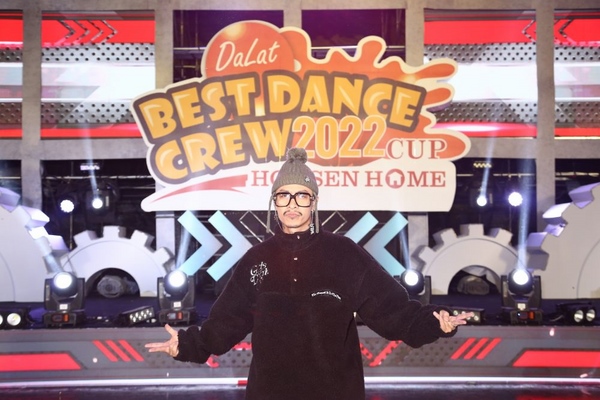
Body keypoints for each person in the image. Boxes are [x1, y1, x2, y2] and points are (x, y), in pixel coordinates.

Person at [146, 147, 472, 400]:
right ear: (274, 202)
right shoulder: (257, 260)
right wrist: (187, 344)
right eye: (283, 196)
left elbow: (393, 312)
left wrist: (433, 322)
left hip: (335, 392)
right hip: (271, 393)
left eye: (301, 195)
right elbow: (225, 323)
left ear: (314, 202)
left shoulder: (344, 254)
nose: (292, 204)